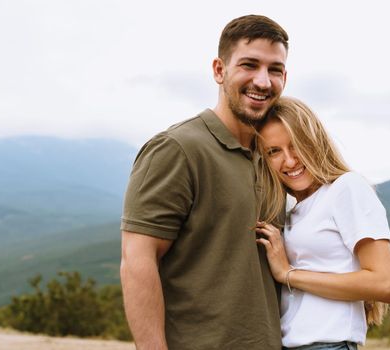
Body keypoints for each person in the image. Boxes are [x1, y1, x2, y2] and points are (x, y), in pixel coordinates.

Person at [120, 15, 289, 349]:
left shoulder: (273, 159)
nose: (263, 81)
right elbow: (138, 261)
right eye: (249, 65)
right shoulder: (178, 148)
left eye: (274, 69)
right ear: (218, 70)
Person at [255, 96, 390, 350]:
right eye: (274, 151)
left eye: (296, 145)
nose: (289, 161)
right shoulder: (290, 211)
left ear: (314, 142)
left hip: (328, 344)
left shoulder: (346, 188)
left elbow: (384, 284)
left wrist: (288, 274)